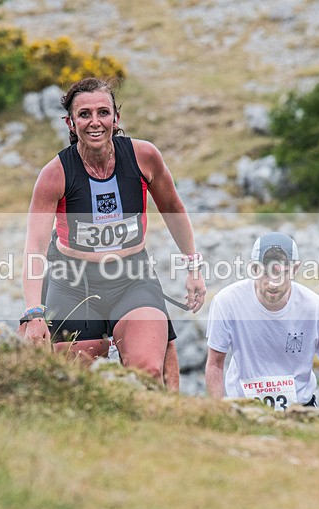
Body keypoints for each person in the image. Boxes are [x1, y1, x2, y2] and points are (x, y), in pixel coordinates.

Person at [21, 77, 205, 383]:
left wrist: (193, 267)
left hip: (132, 277)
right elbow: (35, 247)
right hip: (72, 281)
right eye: (84, 114)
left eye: (103, 112)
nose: (95, 122)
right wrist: (34, 312)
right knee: (76, 380)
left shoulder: (143, 156)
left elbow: (173, 209)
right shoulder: (54, 174)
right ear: (70, 123)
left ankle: (157, 425)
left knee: (147, 371)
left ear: (116, 118)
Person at [205, 232, 319, 408]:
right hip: (245, 408)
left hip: (300, 407)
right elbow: (215, 364)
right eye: (265, 273)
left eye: (282, 273)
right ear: (253, 269)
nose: (273, 283)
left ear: (295, 269)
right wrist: (219, 411)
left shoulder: (315, 307)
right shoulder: (227, 301)